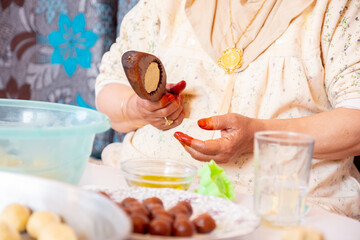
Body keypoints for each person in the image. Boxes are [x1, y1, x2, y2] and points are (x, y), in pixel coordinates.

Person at [95, 0, 360, 220]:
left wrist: (259, 136)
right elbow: (110, 90)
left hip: (281, 209)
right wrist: (138, 108)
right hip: (149, 191)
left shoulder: (335, 8)